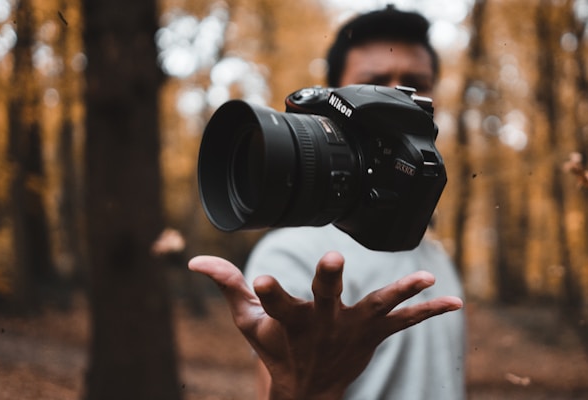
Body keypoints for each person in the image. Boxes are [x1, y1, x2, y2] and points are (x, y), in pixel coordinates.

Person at [189, 6, 466, 400]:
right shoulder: (294, 252)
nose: (399, 100)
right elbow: (285, 381)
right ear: (336, 95)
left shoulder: (431, 248)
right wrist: (304, 388)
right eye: (377, 85)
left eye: (414, 87)